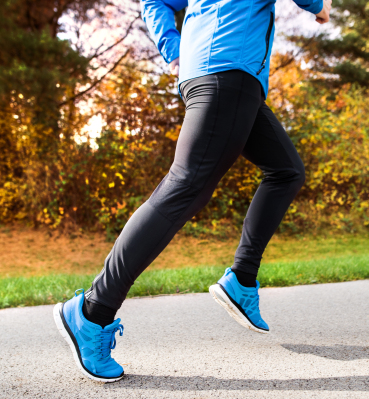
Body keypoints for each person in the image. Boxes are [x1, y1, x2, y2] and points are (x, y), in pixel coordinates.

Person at [53, 0, 332, 382]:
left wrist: (175, 51)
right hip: (229, 70)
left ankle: (242, 280)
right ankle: (92, 312)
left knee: (286, 171)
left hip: (224, 73)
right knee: (184, 187)